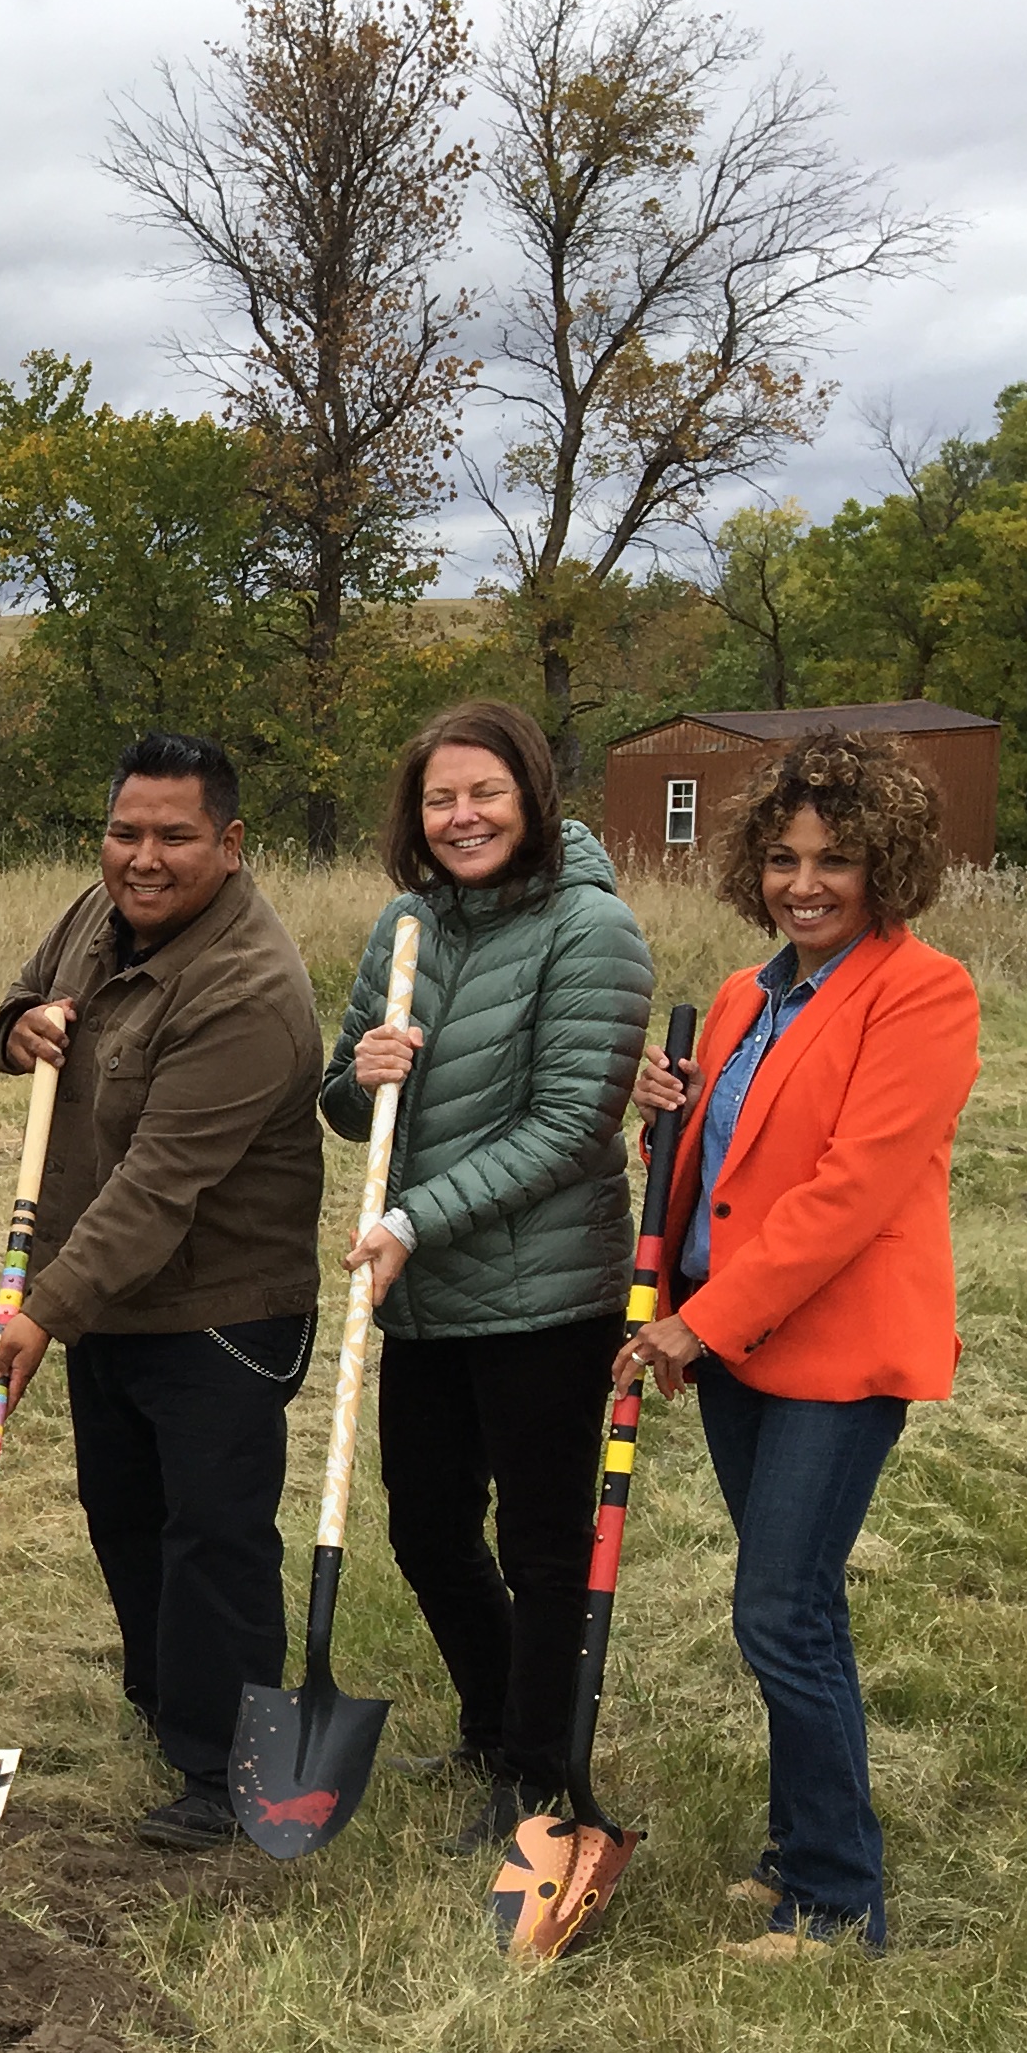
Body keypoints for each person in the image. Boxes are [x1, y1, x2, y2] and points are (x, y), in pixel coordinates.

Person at [621, 731, 980, 1960]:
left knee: (781, 1611)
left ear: (890, 866)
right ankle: (794, 1855)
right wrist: (666, 1126)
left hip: (835, 1349)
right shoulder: (743, 995)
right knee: (793, 1605)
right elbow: (722, 1174)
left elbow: (848, 1194)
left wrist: (697, 1321)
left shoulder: (921, 993)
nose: (806, 883)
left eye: (837, 859)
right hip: (734, 1345)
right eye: (783, 857)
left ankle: (837, 1900)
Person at [321, 702, 656, 1849]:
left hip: (546, 1298)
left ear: (531, 797)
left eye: (485, 794)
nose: (461, 817)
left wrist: (417, 1217)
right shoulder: (406, 925)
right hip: (425, 1295)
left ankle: (538, 1770)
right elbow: (342, 1106)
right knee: (425, 1530)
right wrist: (360, 1072)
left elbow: (572, 1124)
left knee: (545, 1544)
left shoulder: (592, 930)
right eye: (439, 799)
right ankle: (498, 1719)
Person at [0, 737, 326, 1850]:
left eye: (175, 836)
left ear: (228, 846)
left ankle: (228, 1772)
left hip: (222, 1309)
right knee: (123, 1513)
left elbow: (156, 1190)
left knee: (213, 1535)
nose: (144, 856)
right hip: (116, 1299)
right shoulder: (98, 912)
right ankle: (162, 1701)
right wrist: (17, 1025)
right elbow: (31, 1001)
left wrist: (44, 1308)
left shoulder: (250, 992)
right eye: (126, 831)